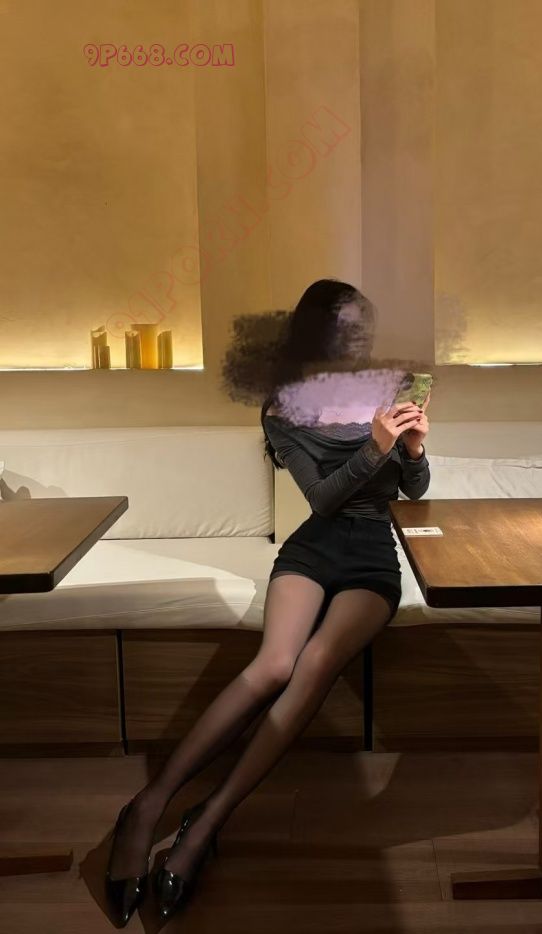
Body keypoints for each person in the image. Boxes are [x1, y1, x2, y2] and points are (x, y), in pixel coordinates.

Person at [105, 278, 431, 923]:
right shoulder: (283, 410)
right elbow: (323, 500)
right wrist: (375, 447)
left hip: (372, 556)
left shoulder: (389, 390)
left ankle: (207, 820)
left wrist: (414, 450)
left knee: (316, 663)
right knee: (274, 664)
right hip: (314, 548)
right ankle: (148, 805)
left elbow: (414, 491)